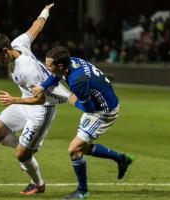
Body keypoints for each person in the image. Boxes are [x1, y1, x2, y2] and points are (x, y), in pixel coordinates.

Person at [0, 3, 70, 195]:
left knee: (21, 154)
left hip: (41, 108)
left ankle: (38, 183)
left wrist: (13, 100)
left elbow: (38, 101)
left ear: (5, 51)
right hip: (25, 100)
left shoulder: (27, 71)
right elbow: (36, 27)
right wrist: (45, 11)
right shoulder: (18, 43)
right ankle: (27, 151)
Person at [32, 46, 134, 199]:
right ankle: (121, 159)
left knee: (74, 149)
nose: (47, 68)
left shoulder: (77, 81)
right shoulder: (72, 62)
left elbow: (88, 108)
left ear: (60, 65)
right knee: (81, 147)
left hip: (103, 111)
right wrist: (43, 86)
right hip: (100, 104)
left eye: (49, 66)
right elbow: (56, 75)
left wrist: (72, 101)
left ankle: (83, 190)